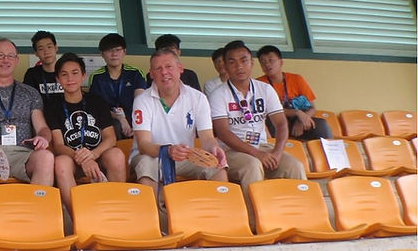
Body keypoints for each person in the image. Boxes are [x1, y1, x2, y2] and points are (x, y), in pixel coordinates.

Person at [130, 49, 228, 198]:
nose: (164, 72)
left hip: (185, 156)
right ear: (151, 74)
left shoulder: (198, 98)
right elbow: (144, 145)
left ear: (180, 69)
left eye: (169, 67)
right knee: (145, 164)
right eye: (158, 68)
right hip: (152, 156)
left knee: (217, 167)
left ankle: (220, 215)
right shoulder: (142, 100)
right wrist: (168, 150)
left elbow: (207, 137)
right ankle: (153, 218)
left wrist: (214, 149)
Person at [210, 40, 305, 192]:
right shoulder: (218, 94)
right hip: (231, 151)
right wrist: (256, 154)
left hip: (262, 146)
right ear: (226, 67)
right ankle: (256, 215)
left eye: (244, 60)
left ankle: (301, 213)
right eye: (232, 62)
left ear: (252, 63)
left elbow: (281, 124)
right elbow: (223, 132)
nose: (239, 66)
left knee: (295, 166)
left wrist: (277, 153)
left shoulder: (265, 89)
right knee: (252, 165)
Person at [0, 38, 54, 195]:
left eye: (10, 56)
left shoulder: (30, 93)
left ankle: (36, 214)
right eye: (0, 55)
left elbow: (43, 128)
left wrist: (43, 138)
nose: (5, 60)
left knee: (46, 158)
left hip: (23, 154)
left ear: (17, 60)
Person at [46, 52, 124, 208]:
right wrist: (82, 159)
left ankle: (117, 208)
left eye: (75, 73)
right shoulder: (52, 106)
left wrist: (93, 155)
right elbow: (59, 145)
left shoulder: (97, 101)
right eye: (64, 75)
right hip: (72, 158)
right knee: (61, 163)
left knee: (116, 155)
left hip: (98, 155)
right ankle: (78, 216)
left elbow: (110, 138)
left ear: (83, 76)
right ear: (58, 79)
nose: (70, 79)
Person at [255, 45, 332, 140]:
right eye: (263, 62)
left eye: (271, 60)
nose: (267, 64)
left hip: (298, 120)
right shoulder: (258, 84)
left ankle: (328, 152)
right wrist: (296, 112)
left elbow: (313, 108)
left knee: (321, 125)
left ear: (281, 62)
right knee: (271, 122)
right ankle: (278, 151)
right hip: (276, 121)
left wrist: (302, 119)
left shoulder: (296, 79)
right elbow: (267, 112)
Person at [88, 33, 147, 139]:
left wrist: (137, 124)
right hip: (109, 120)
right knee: (115, 125)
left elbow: (141, 102)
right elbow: (96, 107)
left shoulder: (135, 73)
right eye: (109, 50)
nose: (114, 54)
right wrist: (120, 118)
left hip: (135, 118)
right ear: (102, 54)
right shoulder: (97, 77)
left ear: (124, 52)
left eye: (117, 50)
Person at [23, 30, 64, 105]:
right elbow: (28, 102)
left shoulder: (66, 71)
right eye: (41, 49)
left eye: (49, 47)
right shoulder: (32, 74)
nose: (46, 52)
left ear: (56, 48)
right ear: (36, 53)